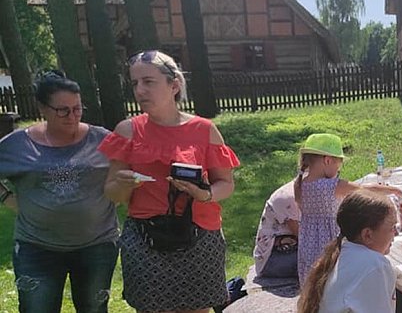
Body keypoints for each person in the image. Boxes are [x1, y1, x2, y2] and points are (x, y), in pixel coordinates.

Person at [99, 50, 240, 312]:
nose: (140, 90)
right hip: (145, 238)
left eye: (148, 81)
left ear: (173, 85)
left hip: (200, 235)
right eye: (134, 83)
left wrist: (204, 194)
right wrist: (124, 184)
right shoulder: (128, 130)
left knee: (197, 309)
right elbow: (112, 194)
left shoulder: (204, 129)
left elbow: (226, 184)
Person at [0, 71, 118, 313]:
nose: (72, 116)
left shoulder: (103, 139)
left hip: (97, 245)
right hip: (37, 247)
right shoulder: (17, 145)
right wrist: (5, 197)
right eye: (63, 110)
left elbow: (128, 171)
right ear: (42, 108)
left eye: (77, 108)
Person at [294, 133, 402, 284]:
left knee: (313, 282)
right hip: (329, 242)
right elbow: (364, 190)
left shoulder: (299, 184)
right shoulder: (332, 186)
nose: (338, 171)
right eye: (338, 165)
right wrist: (393, 190)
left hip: (308, 243)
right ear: (327, 160)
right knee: (331, 280)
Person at [297, 190, 398, 313]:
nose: (396, 233)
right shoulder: (374, 265)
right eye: (393, 227)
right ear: (367, 235)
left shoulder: (341, 252)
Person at [253, 180, 300, 279]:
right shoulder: (289, 198)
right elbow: (304, 237)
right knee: (324, 263)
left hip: (290, 250)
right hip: (271, 259)